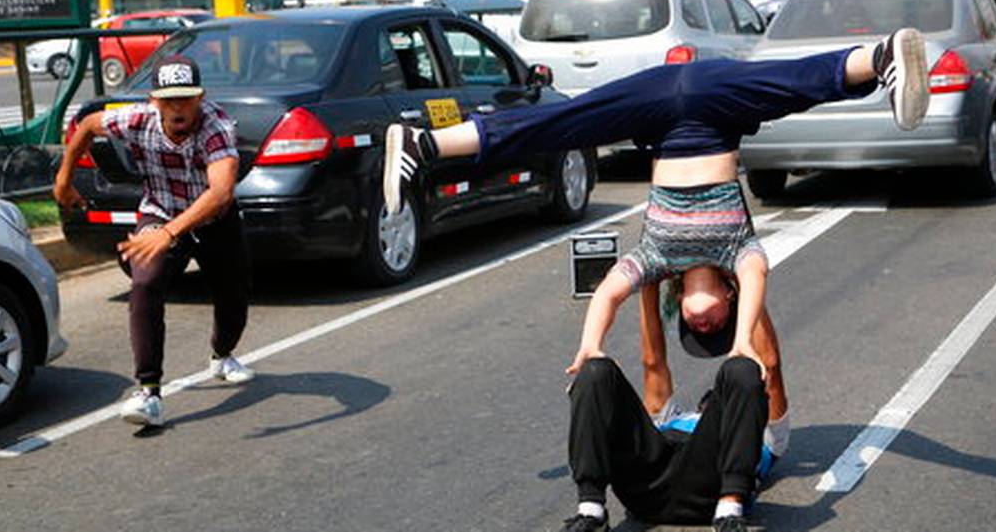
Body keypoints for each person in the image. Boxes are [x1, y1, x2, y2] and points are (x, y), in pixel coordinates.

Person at [382, 29, 930, 377]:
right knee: (791, 84)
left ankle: (421, 143)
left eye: (702, 330)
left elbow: (608, 297)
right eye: (719, 324)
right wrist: (742, 346)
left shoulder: (654, 261)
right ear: (729, 301)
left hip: (657, 112)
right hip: (718, 106)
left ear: (685, 318)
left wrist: (592, 347)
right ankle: (879, 56)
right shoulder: (743, 256)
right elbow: (757, 299)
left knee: (559, 124)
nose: (709, 320)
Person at [53, 55, 255, 428]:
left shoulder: (216, 126)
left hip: (213, 220)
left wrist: (170, 233)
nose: (178, 108)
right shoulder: (137, 118)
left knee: (233, 297)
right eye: (169, 100)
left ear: (201, 98)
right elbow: (87, 125)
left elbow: (222, 191)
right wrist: (63, 180)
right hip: (159, 211)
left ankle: (222, 355)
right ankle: (148, 392)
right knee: (145, 283)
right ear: (154, 100)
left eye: (187, 99)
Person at [558, 276, 790, 532]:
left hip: (712, 491)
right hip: (647, 487)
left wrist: (745, 282)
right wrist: (651, 278)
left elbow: (769, 365)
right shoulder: (673, 415)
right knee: (595, 371)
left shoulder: (769, 436)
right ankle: (591, 509)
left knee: (744, 369)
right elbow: (652, 361)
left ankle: (730, 510)